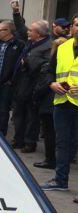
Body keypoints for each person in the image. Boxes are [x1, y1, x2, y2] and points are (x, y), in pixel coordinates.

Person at [39, 16, 78, 191]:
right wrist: (51, 83)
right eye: (77, 25)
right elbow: (49, 70)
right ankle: (60, 180)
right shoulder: (62, 48)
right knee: (62, 143)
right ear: (72, 28)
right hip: (62, 101)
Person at [11, 20, 51, 153]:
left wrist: (28, 61)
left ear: (38, 34)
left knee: (31, 116)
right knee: (18, 113)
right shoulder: (30, 42)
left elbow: (45, 66)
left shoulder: (47, 46)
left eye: (31, 30)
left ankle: (29, 142)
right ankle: (18, 139)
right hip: (21, 83)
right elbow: (21, 29)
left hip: (33, 85)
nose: (28, 32)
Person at [32, 37, 65, 170]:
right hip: (61, 101)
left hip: (49, 102)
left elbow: (44, 84)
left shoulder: (51, 64)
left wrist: (36, 97)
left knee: (50, 132)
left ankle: (50, 159)